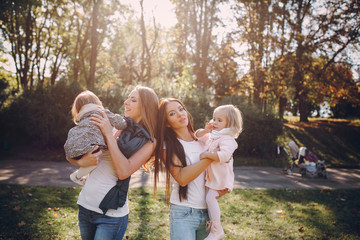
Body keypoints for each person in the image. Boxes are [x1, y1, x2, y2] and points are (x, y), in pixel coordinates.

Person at [67, 86, 159, 240]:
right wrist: (82, 161)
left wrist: (108, 134)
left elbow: (124, 171)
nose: (126, 102)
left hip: (110, 216)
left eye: (133, 100)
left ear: (145, 107)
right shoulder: (116, 122)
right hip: (85, 206)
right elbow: (73, 153)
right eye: (128, 98)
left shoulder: (149, 141)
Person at [154, 98, 228, 240]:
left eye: (181, 109)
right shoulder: (167, 145)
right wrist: (212, 156)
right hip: (183, 213)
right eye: (172, 114)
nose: (181, 114)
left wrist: (219, 189)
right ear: (166, 123)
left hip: (207, 214)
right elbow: (182, 178)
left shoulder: (204, 140)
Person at [194, 104, 243, 240]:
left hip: (221, 178)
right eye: (214, 119)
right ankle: (209, 227)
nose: (215, 122)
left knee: (210, 198)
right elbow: (196, 136)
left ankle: (217, 230)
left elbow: (224, 156)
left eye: (219, 120)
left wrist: (207, 155)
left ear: (230, 124)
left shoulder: (228, 139)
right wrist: (205, 130)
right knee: (206, 200)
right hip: (212, 178)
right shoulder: (213, 135)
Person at [64, 90, 127, 185]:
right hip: (88, 148)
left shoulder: (82, 117)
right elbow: (120, 124)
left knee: (91, 155)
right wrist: (125, 121)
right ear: (97, 102)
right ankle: (76, 176)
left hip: (71, 148)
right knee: (95, 158)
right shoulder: (101, 112)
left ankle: (84, 175)